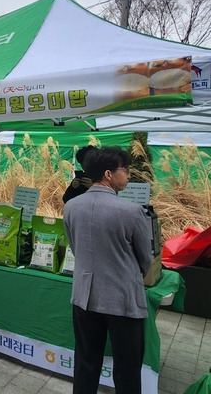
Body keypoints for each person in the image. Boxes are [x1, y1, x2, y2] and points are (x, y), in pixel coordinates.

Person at [63, 147, 152, 394]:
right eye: (124, 170)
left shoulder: (71, 206)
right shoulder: (132, 211)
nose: (128, 175)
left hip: (84, 297)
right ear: (108, 174)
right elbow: (145, 260)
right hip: (122, 298)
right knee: (127, 366)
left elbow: (75, 246)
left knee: (86, 363)